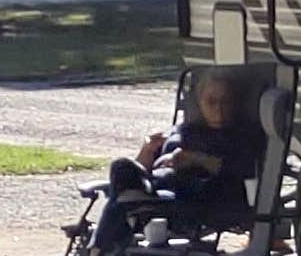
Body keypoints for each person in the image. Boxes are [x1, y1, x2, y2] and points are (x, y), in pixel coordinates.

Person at [101, 70, 266, 235]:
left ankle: (100, 246)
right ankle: (135, 211)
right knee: (122, 168)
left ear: (235, 103)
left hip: (187, 200)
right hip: (154, 189)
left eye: (226, 102)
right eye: (211, 102)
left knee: (121, 204)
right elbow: (144, 169)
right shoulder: (184, 130)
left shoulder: (240, 137)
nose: (219, 109)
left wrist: (197, 159)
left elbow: (243, 170)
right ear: (199, 102)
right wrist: (147, 152)